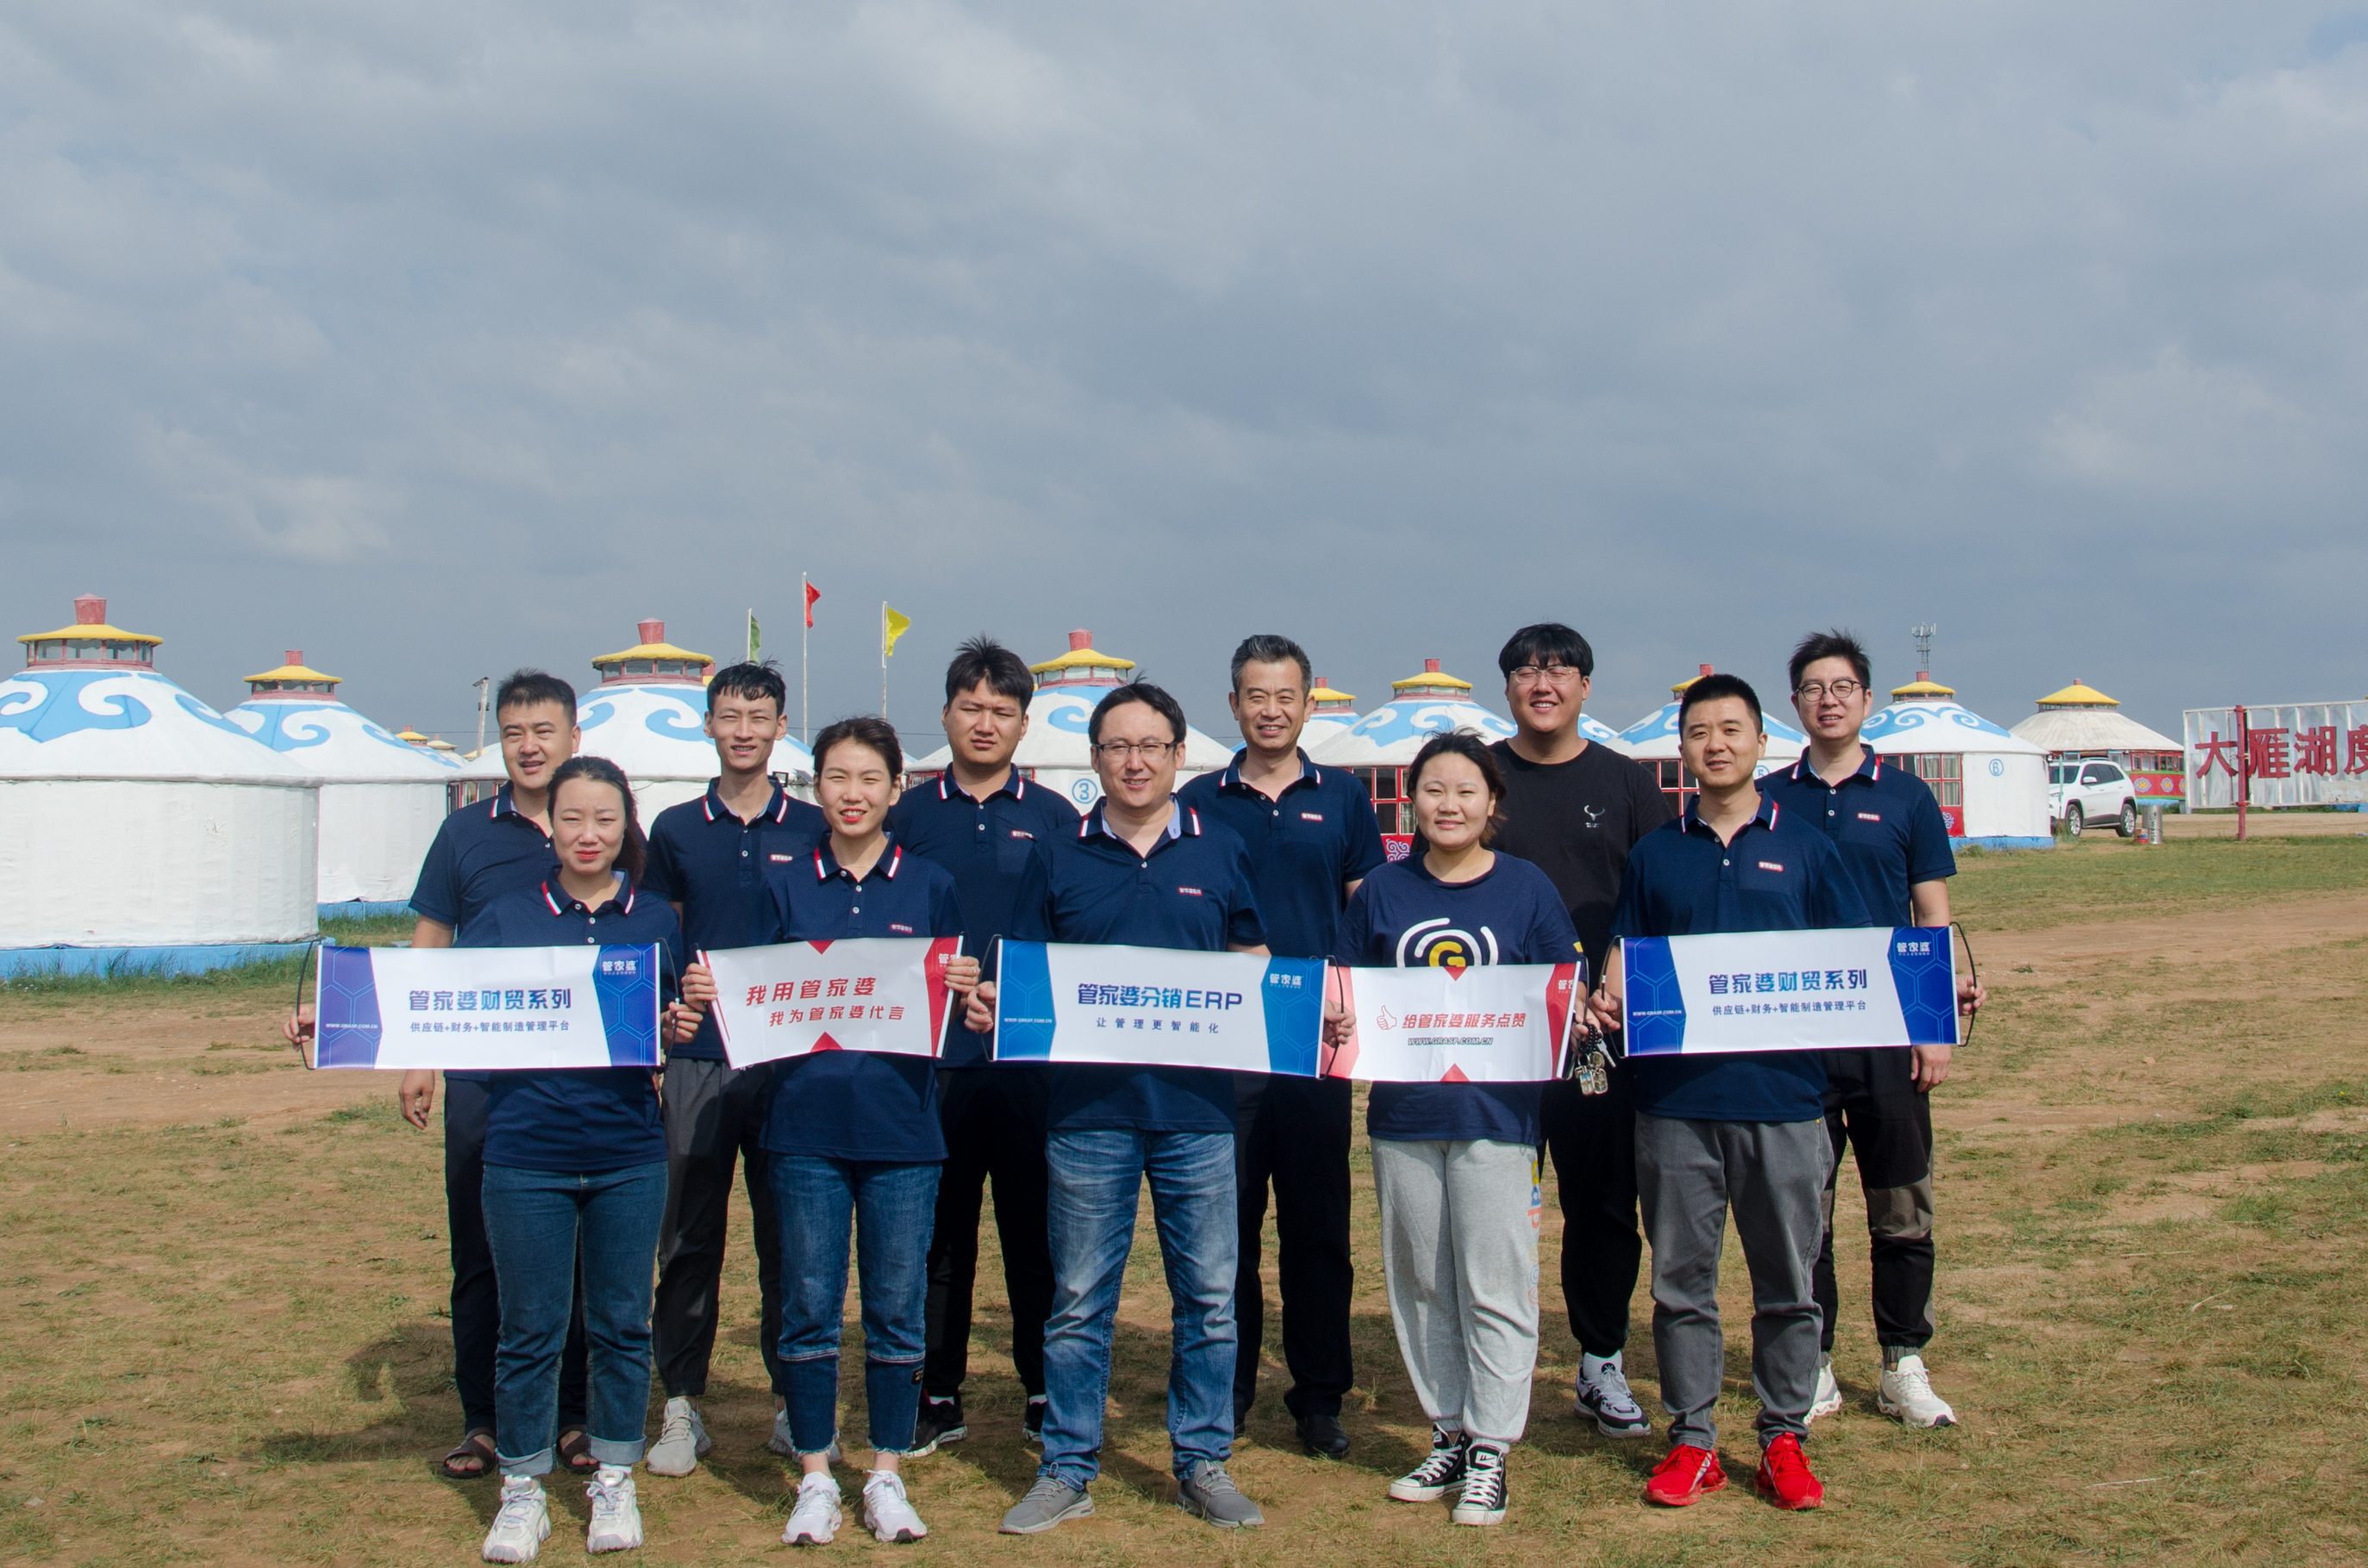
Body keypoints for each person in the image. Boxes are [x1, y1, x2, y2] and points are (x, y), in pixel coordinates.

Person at [965, 684, 1271, 1535]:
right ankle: (1066, 1466)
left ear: (1178, 754)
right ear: (1094, 757)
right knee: (1077, 1300)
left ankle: (1201, 1459)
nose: (1134, 762)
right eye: (1116, 746)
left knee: (1208, 1297)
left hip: (1197, 1112)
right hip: (1086, 1112)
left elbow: (1252, 953)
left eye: (1151, 746)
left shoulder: (1221, 848)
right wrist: (996, 1002)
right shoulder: (1057, 852)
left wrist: (1286, 998)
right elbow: (1023, 969)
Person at [291, 670, 597, 1483]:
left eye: (544, 730)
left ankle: (575, 1414)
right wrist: (417, 1056)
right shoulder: (465, 833)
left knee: (578, 1248)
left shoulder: (602, 820)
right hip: (483, 1074)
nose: (529, 746)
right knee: (481, 1246)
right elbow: (429, 946)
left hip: (583, 1077)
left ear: (574, 737)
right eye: (514, 732)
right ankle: (484, 1419)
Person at [683, 716, 977, 1548]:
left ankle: (885, 1471)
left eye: (870, 778)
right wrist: (712, 991)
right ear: (816, 787)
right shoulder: (785, 884)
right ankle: (814, 1472)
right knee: (809, 1306)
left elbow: (955, 1009)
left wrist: (966, 988)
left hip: (902, 1130)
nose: (853, 793)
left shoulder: (929, 883)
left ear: (896, 789)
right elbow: (752, 994)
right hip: (802, 1128)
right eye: (837, 777)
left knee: (895, 1308)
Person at [1590, 674, 1871, 1512]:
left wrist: (1932, 993)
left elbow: (1857, 963)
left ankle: (1783, 1435)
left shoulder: (1808, 849)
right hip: (1675, 1102)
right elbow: (1625, 954)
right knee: (1680, 1283)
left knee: (1788, 1282)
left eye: (1730, 729)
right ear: (1680, 748)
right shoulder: (1655, 853)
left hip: (1784, 1099)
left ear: (1759, 740)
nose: (1714, 744)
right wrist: (1605, 997)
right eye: (1698, 732)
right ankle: (1693, 1440)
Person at [1336, 734, 1582, 1527]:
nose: (1449, 804)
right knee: (1421, 1280)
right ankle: (1447, 1430)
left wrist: (1577, 1012)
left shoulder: (1525, 886)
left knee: (1494, 1280)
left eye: (1465, 790)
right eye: (1433, 790)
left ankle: (1491, 1447)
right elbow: (1346, 987)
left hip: (1498, 1120)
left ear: (1492, 803)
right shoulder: (1381, 889)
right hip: (1403, 1118)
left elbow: (1563, 987)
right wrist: (1337, 1016)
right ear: (1410, 801)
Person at [1764, 630, 1982, 1430]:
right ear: (1794, 703)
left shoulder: (1906, 797)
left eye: (1842, 687)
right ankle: (1812, 1360)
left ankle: (1902, 1360)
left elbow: (1930, 913)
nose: (1827, 700)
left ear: (1864, 698)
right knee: (1804, 1210)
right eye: (1812, 688)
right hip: (1796, 1037)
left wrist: (1933, 1024)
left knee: (1900, 1202)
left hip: (1888, 1031)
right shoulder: (1768, 798)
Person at [1178, 634, 1384, 1458]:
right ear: (1233, 704)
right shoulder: (1197, 798)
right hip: (1222, 1046)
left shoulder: (1343, 797)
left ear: (1307, 703)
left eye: (1285, 696)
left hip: (1312, 1044)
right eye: (1255, 696)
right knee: (1223, 1227)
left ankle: (1319, 1395)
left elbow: (1366, 910)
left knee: (1316, 1225)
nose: (1270, 710)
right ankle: (1225, 1390)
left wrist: (1357, 1004)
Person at [885, 638, 1078, 1456]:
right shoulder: (908, 817)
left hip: (1030, 1061)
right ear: (945, 715)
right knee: (940, 1235)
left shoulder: (1056, 817)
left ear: (1024, 723)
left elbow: (1072, 931)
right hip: (932, 1063)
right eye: (972, 707)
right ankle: (937, 1390)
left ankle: (1043, 1387)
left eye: (1002, 710)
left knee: (1037, 1232)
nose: (986, 722)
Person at [640, 660, 828, 1475]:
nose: (742, 730)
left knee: (792, 1238)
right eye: (728, 715)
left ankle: (792, 1404)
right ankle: (682, 1403)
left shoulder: (814, 825)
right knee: (688, 1236)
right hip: (700, 1058)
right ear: (709, 724)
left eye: (758, 716)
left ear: (781, 726)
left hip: (789, 1062)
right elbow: (659, 937)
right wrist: (663, 1015)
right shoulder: (675, 828)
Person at [1483, 624, 1671, 1439]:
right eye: (1526, 670)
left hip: (1596, 1037)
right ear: (1506, 687)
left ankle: (1600, 1359)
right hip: (1496, 1036)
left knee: (1600, 1200)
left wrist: (1618, 972)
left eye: (1559, 669)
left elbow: (1659, 892)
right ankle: (1495, 1367)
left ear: (1585, 686)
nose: (1542, 682)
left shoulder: (1625, 782)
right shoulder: (1478, 775)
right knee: (1493, 1203)